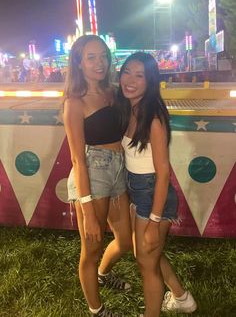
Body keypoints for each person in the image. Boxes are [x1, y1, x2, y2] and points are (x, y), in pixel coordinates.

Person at [118, 52, 197, 317]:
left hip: (153, 194)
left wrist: (153, 220)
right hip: (138, 190)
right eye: (127, 71)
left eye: (139, 75)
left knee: (146, 263)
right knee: (148, 254)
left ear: (150, 81)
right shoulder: (132, 108)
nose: (129, 80)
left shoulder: (153, 118)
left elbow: (164, 174)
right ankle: (181, 297)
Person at [63, 35, 132, 317]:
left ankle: (103, 274)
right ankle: (97, 310)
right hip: (93, 172)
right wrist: (88, 210)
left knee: (126, 241)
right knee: (91, 248)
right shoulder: (74, 103)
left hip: (119, 168)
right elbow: (78, 158)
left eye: (103, 55)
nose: (99, 62)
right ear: (79, 63)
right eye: (91, 57)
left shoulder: (114, 92)